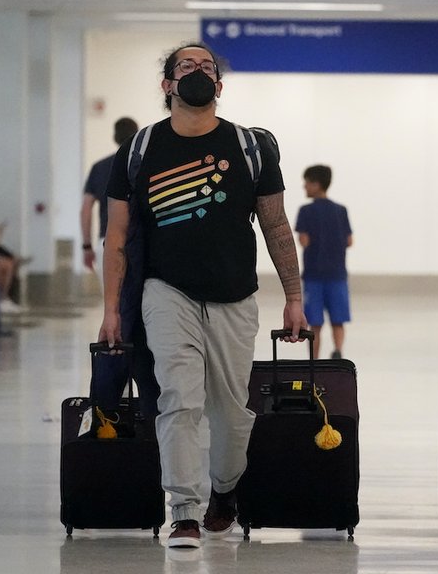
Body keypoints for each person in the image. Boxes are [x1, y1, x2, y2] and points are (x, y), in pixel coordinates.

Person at [99, 42, 307, 550]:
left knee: (233, 412)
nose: (198, 71)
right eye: (186, 66)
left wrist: (294, 297)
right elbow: (117, 237)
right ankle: (184, 511)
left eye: (207, 66)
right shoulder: (140, 148)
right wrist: (110, 309)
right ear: (168, 84)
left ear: (219, 85)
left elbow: (276, 225)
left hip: (236, 297)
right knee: (179, 400)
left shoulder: (251, 147)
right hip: (165, 292)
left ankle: (225, 490)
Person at [295, 164, 352, 359]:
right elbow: (349, 241)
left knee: (314, 323)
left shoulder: (306, 211)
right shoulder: (340, 210)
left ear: (316, 184)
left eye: (307, 183)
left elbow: (303, 240)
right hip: (337, 274)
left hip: (313, 275)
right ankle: (338, 351)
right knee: (338, 319)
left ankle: (314, 360)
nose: (304, 187)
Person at [81, 117, 139, 272]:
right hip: (139, 240)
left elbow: (86, 209)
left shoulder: (99, 168)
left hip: (107, 241)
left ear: (115, 137)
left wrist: (87, 246)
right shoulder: (145, 165)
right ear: (137, 134)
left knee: (111, 296)